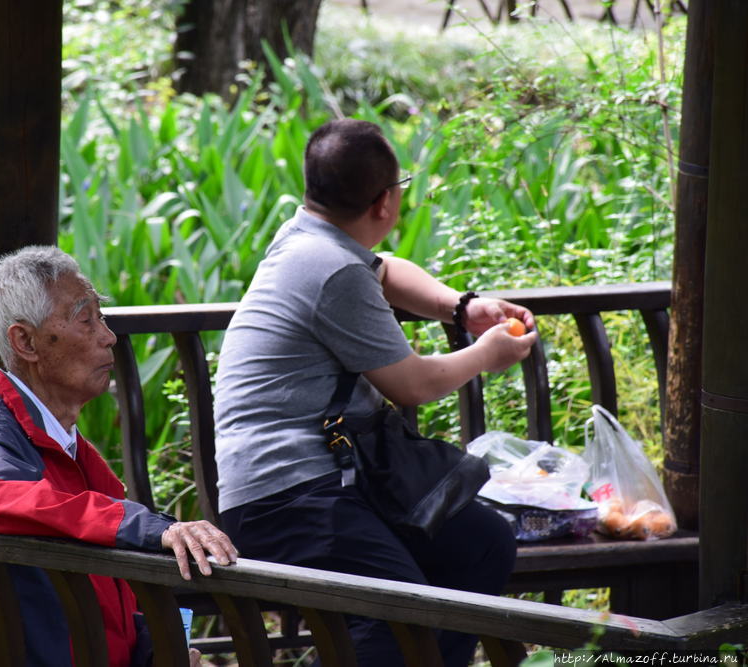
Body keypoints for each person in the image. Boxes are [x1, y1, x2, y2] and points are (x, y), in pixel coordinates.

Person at [213, 119, 537, 666]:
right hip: (286, 496)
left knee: (481, 543)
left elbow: (385, 272)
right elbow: (414, 382)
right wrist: (490, 353)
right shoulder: (331, 268)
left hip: (334, 481)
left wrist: (460, 308)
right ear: (385, 202)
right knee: (397, 611)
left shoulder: (308, 239)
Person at [0, 246, 238, 667]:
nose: (107, 336)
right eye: (86, 320)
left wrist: (153, 650)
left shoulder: (63, 442)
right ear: (26, 342)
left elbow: (104, 600)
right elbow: (2, 500)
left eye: (101, 318)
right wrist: (145, 525)